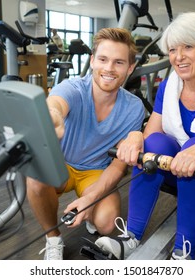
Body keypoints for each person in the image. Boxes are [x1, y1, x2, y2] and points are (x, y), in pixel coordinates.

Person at [95, 12, 195, 260]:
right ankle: (131, 237)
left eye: (188, 47)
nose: (178, 57)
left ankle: (183, 252)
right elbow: (152, 136)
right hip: (176, 168)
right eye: (172, 50)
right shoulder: (169, 87)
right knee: (155, 143)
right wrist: (136, 137)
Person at [26, 27, 145, 260]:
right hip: (61, 164)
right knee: (35, 176)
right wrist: (53, 116)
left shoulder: (134, 108)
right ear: (92, 61)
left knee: (107, 224)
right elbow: (56, 104)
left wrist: (90, 200)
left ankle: (90, 211)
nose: (109, 68)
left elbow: (119, 166)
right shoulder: (72, 88)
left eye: (119, 62)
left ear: (130, 68)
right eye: (103, 59)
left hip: (95, 171)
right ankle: (53, 238)